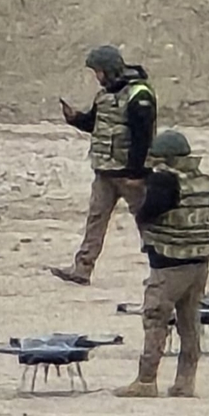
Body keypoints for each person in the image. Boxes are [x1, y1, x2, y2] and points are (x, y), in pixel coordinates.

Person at [115, 129, 209, 398]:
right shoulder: (204, 182)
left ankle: (146, 381)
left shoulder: (165, 182)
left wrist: (137, 196)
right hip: (199, 263)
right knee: (190, 322)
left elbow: (148, 212)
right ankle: (185, 381)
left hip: (169, 263)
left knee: (155, 318)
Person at [49, 45, 157, 285]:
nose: (96, 77)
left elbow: (143, 137)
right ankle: (82, 269)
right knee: (95, 220)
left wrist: (136, 173)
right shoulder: (105, 95)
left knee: (148, 223)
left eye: (98, 71)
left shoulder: (139, 95)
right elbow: (95, 124)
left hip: (130, 175)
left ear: (109, 70)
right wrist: (75, 119)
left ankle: (162, 272)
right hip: (105, 172)